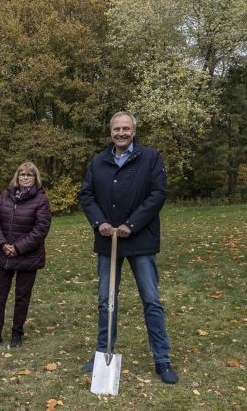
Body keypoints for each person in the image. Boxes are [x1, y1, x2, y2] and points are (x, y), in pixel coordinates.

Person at [79, 111, 178, 384]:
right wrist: (99, 222)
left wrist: (131, 225)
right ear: (110, 131)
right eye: (116, 129)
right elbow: (86, 195)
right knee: (106, 301)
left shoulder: (150, 158)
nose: (121, 133)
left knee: (151, 300)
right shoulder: (98, 160)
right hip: (107, 240)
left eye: (126, 129)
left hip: (140, 240)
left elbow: (158, 194)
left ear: (134, 131)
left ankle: (162, 358)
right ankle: (103, 352)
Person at [0, 161, 51, 349]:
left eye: (29, 175)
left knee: (22, 297)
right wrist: (2, 244)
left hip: (28, 256)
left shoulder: (41, 200)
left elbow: (41, 229)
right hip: (5, 255)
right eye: (22, 174)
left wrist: (17, 248)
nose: (25, 177)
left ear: (35, 178)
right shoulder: (6, 195)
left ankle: (17, 333)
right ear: (17, 177)